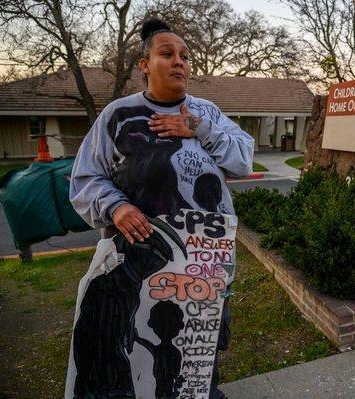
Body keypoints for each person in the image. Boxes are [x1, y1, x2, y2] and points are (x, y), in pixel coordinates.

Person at [69, 18, 254, 399]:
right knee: (141, 348)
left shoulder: (208, 113)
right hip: (139, 264)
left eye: (185, 56)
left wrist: (199, 129)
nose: (179, 62)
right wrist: (116, 207)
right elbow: (85, 178)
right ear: (145, 64)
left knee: (200, 354)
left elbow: (243, 160)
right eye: (167, 54)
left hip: (205, 262)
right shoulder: (118, 115)